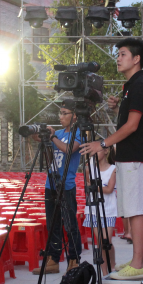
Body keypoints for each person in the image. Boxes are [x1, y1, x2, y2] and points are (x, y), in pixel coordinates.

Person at [80, 38, 143, 281]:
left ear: (136, 59)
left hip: (135, 156)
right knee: (130, 210)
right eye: (118, 54)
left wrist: (102, 143)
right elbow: (130, 122)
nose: (118, 58)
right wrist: (117, 110)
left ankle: (138, 264)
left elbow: (133, 126)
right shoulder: (130, 87)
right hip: (128, 154)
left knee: (135, 210)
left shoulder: (140, 86)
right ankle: (141, 259)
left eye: (123, 54)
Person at [31, 99, 83, 275]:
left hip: (66, 185)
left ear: (74, 116)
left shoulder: (78, 133)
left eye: (64, 113)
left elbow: (69, 150)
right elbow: (44, 147)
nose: (60, 116)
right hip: (51, 183)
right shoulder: (58, 133)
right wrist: (39, 135)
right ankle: (53, 259)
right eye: (59, 113)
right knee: (52, 224)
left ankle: (74, 259)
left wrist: (52, 136)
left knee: (70, 224)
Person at [83, 143, 117, 275]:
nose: (93, 153)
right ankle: (104, 273)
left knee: (106, 241)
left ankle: (112, 266)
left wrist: (94, 186)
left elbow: (109, 189)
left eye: (96, 150)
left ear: (106, 151)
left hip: (108, 209)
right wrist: (96, 187)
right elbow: (88, 186)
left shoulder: (113, 169)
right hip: (93, 209)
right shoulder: (89, 169)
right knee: (101, 242)